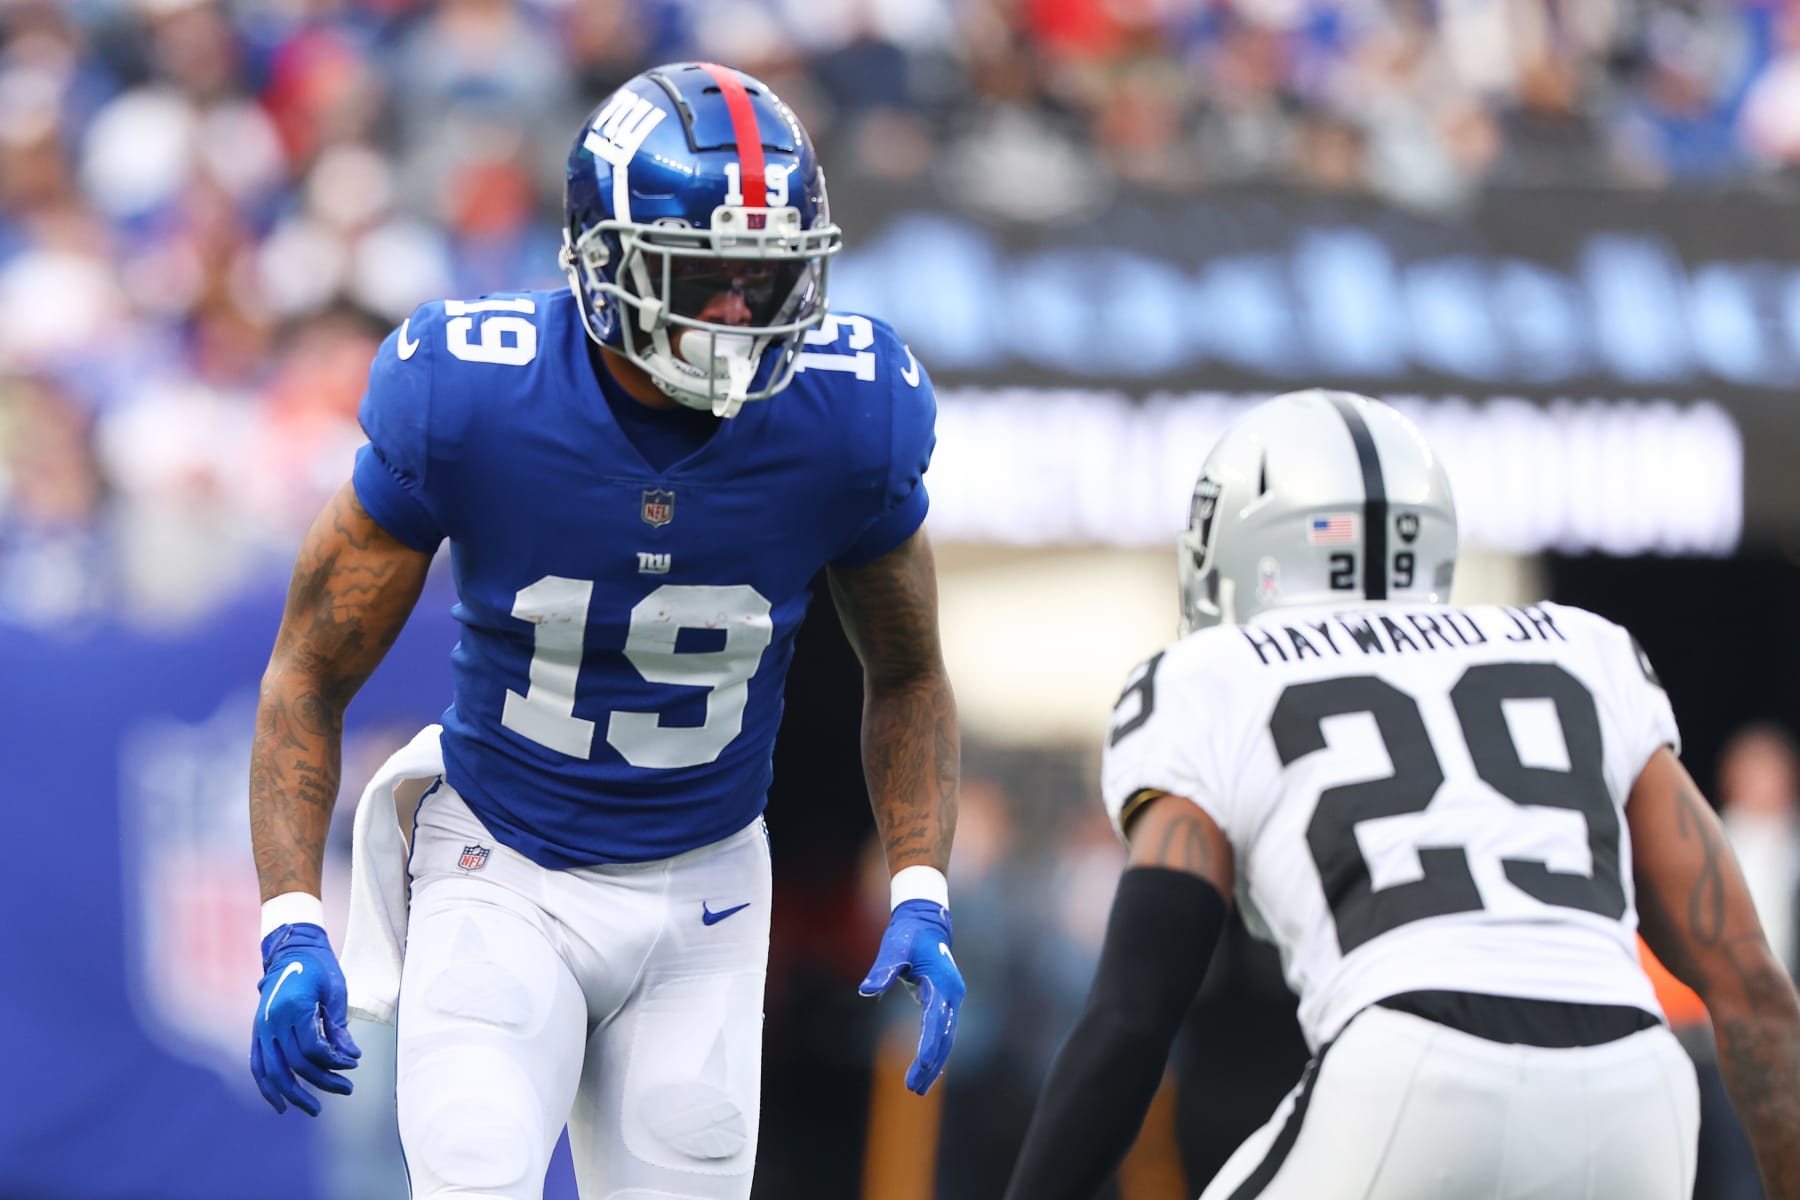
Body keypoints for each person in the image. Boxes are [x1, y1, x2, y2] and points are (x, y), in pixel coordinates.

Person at [246, 62, 964, 1200]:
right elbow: (307, 670)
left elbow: (911, 673)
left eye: (766, 278)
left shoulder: (848, 417)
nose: (739, 311)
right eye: (705, 273)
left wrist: (920, 887)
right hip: (502, 865)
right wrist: (292, 921)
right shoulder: (472, 398)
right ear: (602, 258)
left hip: (708, 890)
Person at [1004, 389, 1800, 1199]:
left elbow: (1134, 1015)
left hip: (1417, 1065)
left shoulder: (1213, 677)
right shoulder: (1582, 648)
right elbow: (1754, 991)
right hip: (1642, 1089)